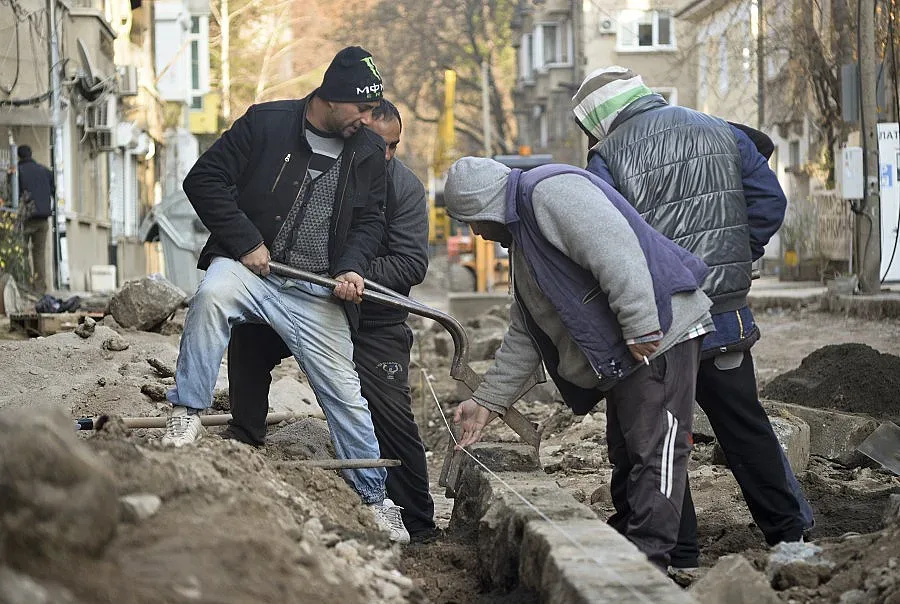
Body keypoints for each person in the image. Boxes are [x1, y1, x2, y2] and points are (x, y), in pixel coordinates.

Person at [571, 66, 812, 571]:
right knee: (745, 425)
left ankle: (680, 551)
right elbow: (769, 201)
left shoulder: (607, 156)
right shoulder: (719, 128)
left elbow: (604, 239)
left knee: (659, 435)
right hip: (724, 314)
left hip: (657, 326)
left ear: (597, 118)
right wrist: (736, 254)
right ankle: (791, 534)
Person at [165, 46, 407, 541]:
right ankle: (186, 415)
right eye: (361, 110)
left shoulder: (365, 152)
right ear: (331, 99)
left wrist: (352, 269)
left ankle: (374, 498)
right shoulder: (268, 124)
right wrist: (246, 240)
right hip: (254, 270)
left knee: (345, 394)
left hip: (317, 291)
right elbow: (204, 179)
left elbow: (369, 221)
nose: (368, 120)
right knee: (211, 294)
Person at [446, 156, 713, 570]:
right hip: (627, 348)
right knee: (627, 452)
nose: (477, 235)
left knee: (655, 450)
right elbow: (529, 331)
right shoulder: (524, 237)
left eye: (473, 223)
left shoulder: (549, 194)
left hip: (657, 333)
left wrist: (642, 325)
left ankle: (646, 567)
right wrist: (487, 403)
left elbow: (616, 251)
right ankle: (631, 548)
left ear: (485, 207)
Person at [223, 99, 438, 543]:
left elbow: (411, 265)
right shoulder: (320, 169)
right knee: (249, 339)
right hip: (298, 298)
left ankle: (417, 523)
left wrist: (349, 273)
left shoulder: (406, 189)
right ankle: (242, 449)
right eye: (375, 145)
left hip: (372, 318)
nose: (385, 157)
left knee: (391, 415)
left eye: (394, 147)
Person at [14, 145, 54, 292]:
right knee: (39, 254)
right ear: (31, 154)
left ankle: (26, 286)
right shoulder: (45, 171)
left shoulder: (19, 172)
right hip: (43, 219)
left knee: (23, 252)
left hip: (26, 218)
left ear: (18, 156)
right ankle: (40, 288)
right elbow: (53, 190)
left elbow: (15, 194)